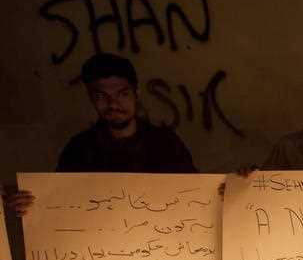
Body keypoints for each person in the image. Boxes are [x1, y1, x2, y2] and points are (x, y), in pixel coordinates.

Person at [4, 53, 196, 216]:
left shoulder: (166, 144)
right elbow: (57, 203)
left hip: (161, 253)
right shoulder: (79, 149)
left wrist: (221, 195)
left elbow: (196, 195)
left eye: (122, 94)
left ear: (136, 94)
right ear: (91, 98)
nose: (113, 104)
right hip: (97, 256)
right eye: (101, 96)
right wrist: (27, 204)